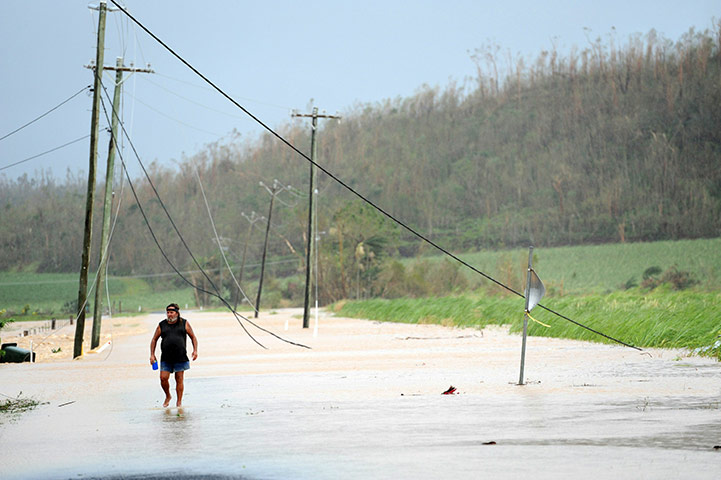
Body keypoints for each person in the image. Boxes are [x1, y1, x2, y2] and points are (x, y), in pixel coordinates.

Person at [150, 303, 198, 407]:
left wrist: (195, 351)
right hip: (166, 357)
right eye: (168, 312)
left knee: (179, 379)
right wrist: (152, 355)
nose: (169, 315)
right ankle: (168, 396)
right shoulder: (161, 325)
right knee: (163, 378)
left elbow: (193, 337)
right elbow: (154, 340)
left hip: (180, 357)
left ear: (177, 313)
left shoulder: (184, 323)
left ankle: (179, 402)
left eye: (171, 312)